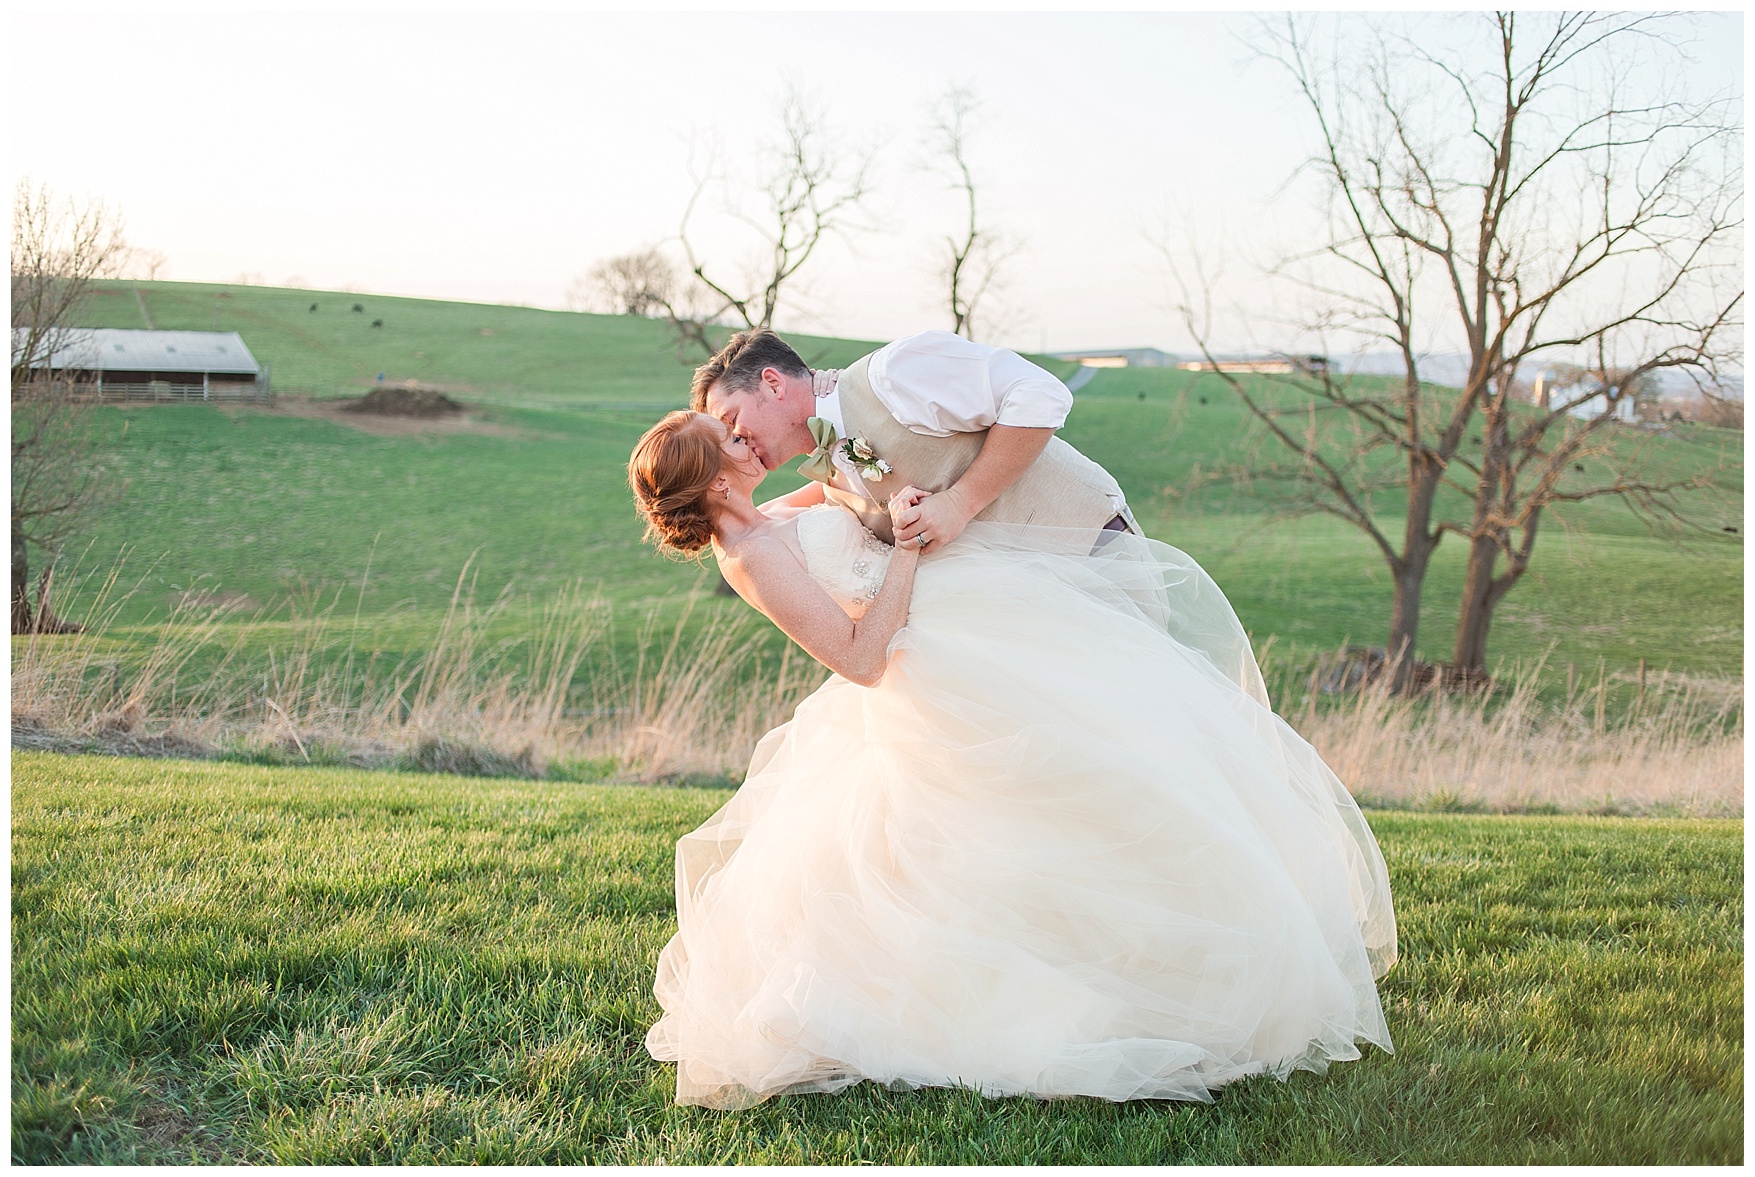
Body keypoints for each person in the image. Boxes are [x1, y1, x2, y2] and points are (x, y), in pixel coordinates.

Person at [627, 394, 1399, 1111]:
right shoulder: (751, 557)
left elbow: (837, 496)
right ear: (716, 486)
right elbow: (861, 658)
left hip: (972, 626)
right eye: (726, 439)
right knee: (1005, 819)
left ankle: (1137, 962)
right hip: (928, 664)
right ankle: (1048, 998)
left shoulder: (764, 519)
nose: (744, 436)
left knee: (1100, 775)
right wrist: (904, 546)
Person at [691, 328, 1137, 552]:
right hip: (1026, 620)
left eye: (732, 419)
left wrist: (962, 501)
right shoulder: (831, 476)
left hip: (1089, 550)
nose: (736, 440)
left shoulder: (894, 373)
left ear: (772, 383)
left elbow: (1040, 393)